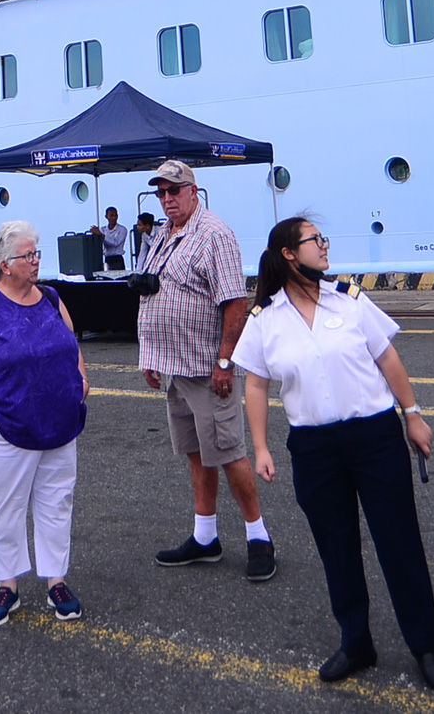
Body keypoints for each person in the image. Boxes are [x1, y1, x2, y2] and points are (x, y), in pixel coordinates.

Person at [237, 218, 434, 690]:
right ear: (290, 254)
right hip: (314, 448)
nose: (324, 246)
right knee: (337, 548)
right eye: (316, 240)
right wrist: (261, 446)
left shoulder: (348, 297)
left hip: (375, 438)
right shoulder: (265, 316)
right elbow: (254, 381)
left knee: (399, 541)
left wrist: (412, 414)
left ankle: (424, 644)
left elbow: (386, 357)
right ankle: (356, 643)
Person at [0, 220, 88, 627]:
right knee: (5, 508)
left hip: (60, 426)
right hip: (6, 427)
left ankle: (56, 580)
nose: (36, 260)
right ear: (5, 265)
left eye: (36, 254)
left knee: (56, 502)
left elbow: (71, 343)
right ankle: (7, 585)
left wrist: (81, 379)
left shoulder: (51, 297)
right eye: (29, 255)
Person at [136, 160, 274, 581]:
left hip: (204, 366)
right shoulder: (162, 233)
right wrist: (150, 354)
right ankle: (205, 537)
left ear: (194, 191)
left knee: (229, 452)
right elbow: (154, 291)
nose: (167, 199)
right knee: (196, 453)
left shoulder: (214, 234)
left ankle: (259, 537)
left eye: (174, 191)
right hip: (174, 366)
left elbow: (234, 302)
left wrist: (224, 360)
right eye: (161, 192)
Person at [92, 207, 128, 272]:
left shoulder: (122, 229)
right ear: (106, 217)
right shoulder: (103, 229)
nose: (114, 218)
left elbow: (115, 243)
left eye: (115, 215)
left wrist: (102, 235)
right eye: (111, 215)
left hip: (118, 259)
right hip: (107, 259)